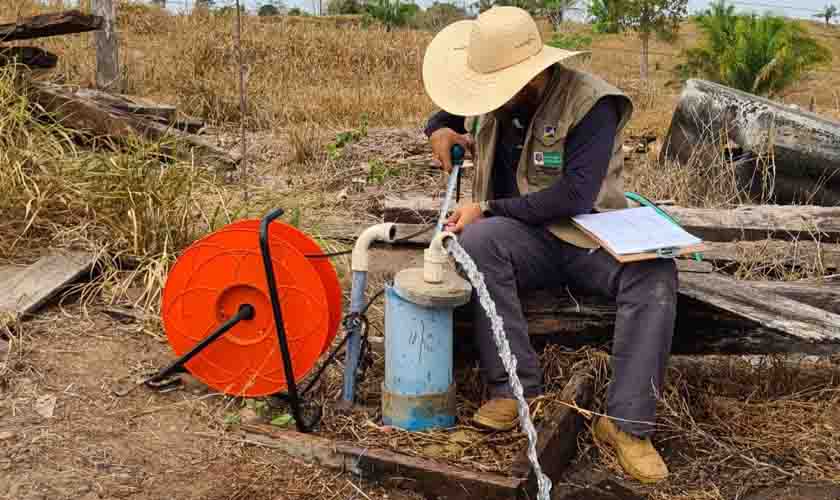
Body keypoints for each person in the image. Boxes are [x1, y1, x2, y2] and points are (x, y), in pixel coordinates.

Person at [420, 6, 678, 484]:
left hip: (586, 235)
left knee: (655, 273)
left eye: (501, 89)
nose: (489, 100)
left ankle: (626, 426)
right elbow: (447, 110)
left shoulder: (591, 103)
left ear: (532, 76)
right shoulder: (493, 96)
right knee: (476, 240)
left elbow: (574, 195)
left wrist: (490, 208)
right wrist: (439, 128)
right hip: (523, 240)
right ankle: (513, 389)